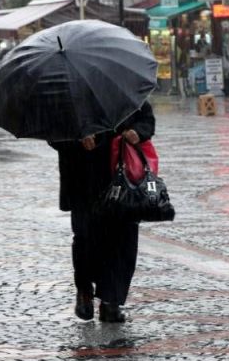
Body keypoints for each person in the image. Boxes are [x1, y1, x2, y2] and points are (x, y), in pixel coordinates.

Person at [50, 101, 155, 323]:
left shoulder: (124, 88)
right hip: (83, 181)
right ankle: (85, 291)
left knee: (123, 239)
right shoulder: (67, 93)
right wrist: (77, 139)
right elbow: (54, 132)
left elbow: (147, 120)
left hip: (121, 178)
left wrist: (138, 132)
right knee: (86, 239)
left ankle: (111, 302)